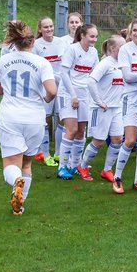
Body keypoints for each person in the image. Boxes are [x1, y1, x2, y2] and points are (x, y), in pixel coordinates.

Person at [0, 20, 57, 216]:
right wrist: (45, 97)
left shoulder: (4, 61)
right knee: (27, 163)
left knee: (11, 164)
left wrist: (8, 89)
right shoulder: (42, 63)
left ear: (14, 43)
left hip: (10, 117)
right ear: (33, 41)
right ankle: (19, 205)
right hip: (34, 118)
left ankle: (15, 181)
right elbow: (52, 90)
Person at [110, 17, 137, 195]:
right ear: (130, 32)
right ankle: (117, 177)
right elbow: (127, 76)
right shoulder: (125, 50)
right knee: (129, 140)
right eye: (134, 30)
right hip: (131, 98)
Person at [55, 21, 98, 180]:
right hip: (68, 93)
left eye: (96, 37)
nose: (94, 39)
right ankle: (62, 167)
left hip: (84, 95)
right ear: (82, 35)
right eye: (92, 36)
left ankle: (75, 165)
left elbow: (94, 75)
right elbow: (64, 73)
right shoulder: (72, 49)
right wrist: (73, 95)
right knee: (71, 130)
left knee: (81, 131)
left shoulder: (93, 53)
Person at [82, 35, 127, 182]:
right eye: (122, 46)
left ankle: (107, 170)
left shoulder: (123, 63)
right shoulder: (105, 63)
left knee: (117, 139)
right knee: (99, 141)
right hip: (102, 108)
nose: (126, 49)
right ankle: (83, 166)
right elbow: (90, 81)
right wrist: (98, 101)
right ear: (113, 48)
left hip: (117, 108)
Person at [32, 16, 70, 167]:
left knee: (62, 117)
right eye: (45, 27)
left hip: (61, 87)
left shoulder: (61, 42)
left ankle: (58, 153)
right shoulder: (36, 45)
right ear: (40, 29)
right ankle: (45, 153)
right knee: (45, 119)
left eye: (51, 26)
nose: (49, 29)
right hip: (45, 86)